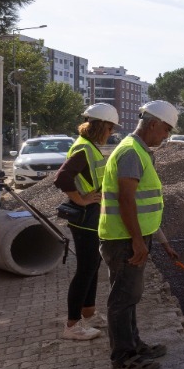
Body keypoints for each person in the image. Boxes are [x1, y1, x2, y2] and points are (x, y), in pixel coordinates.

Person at [98, 100, 181, 369]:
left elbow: (145, 203)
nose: (166, 136)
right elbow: (126, 199)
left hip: (132, 236)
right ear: (154, 124)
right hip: (124, 240)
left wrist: (163, 242)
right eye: (166, 129)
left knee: (130, 295)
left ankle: (134, 345)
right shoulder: (131, 153)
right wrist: (136, 240)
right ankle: (123, 358)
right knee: (122, 298)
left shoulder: (140, 152)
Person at [53, 103, 119, 341]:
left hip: (91, 217)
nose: (111, 133)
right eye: (110, 128)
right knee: (85, 270)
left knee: (92, 268)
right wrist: (80, 200)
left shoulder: (88, 147)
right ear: (101, 126)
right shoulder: (83, 148)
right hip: (84, 219)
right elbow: (62, 177)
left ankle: (88, 314)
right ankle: (72, 325)